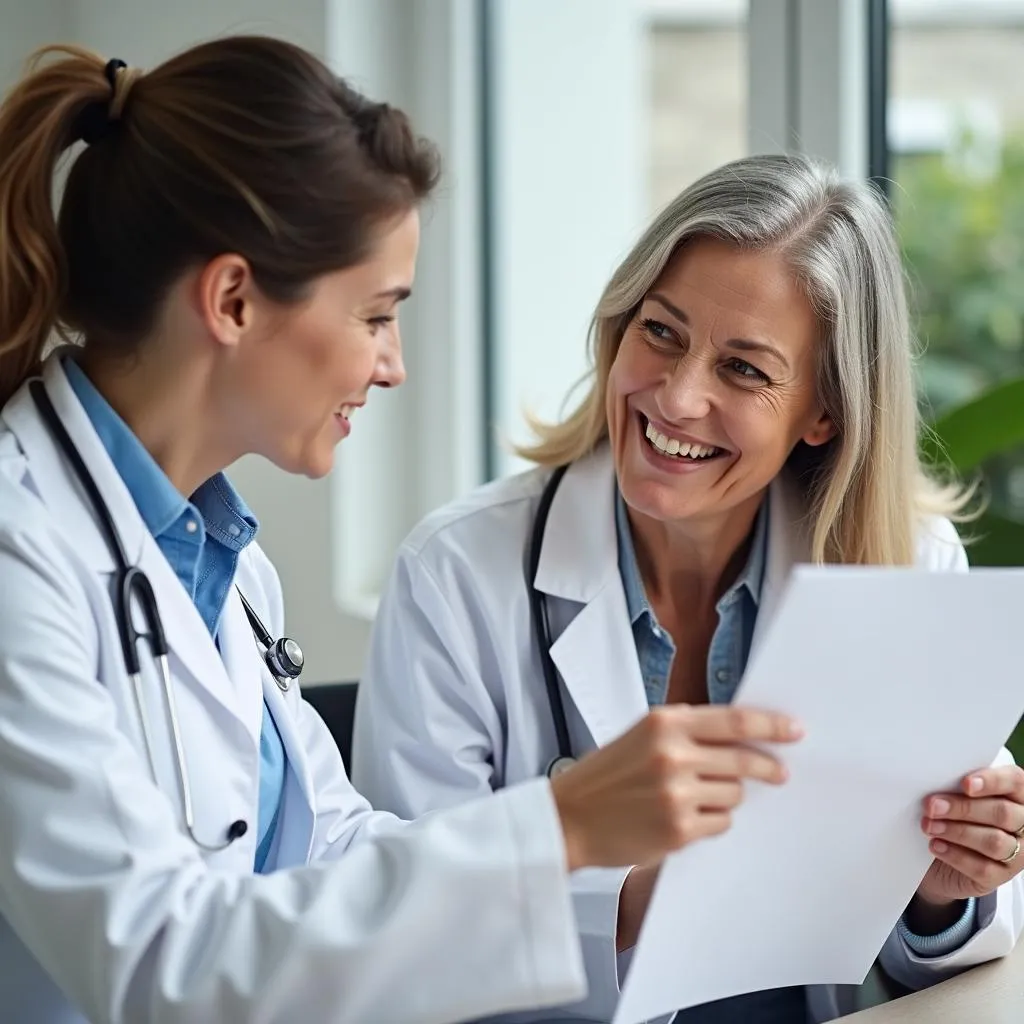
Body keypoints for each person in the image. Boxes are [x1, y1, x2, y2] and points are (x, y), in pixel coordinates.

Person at [0, 41, 809, 1024]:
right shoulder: (21, 549)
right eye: (377, 315)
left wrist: (619, 890)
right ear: (233, 300)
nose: (392, 366)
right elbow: (155, 959)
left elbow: (329, 845)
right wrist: (561, 822)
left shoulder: (224, 561)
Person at [353, 154, 1024, 1023]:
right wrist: (631, 900)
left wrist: (942, 888)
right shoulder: (456, 576)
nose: (676, 397)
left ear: (824, 411)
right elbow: (402, 934)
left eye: (744, 370)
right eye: (662, 332)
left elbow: (947, 960)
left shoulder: (907, 567)